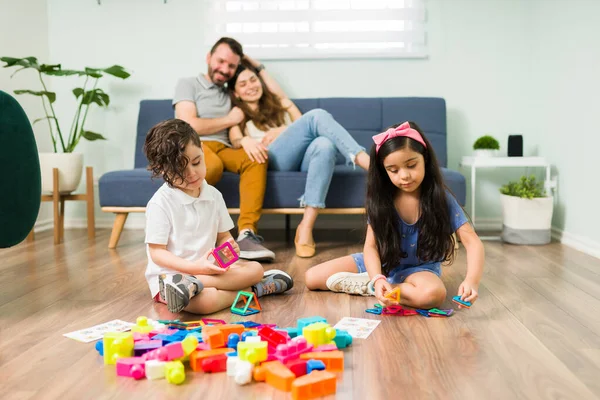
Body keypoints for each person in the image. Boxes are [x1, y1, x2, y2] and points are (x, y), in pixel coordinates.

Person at [304, 121, 484, 310]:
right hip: (382, 264)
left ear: (425, 160)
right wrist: (377, 276)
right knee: (311, 278)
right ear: (384, 171)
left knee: (433, 295)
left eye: (411, 165)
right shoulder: (381, 200)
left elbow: (472, 242)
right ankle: (377, 283)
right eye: (394, 170)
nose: (404, 176)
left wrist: (472, 281)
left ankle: (374, 287)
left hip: (419, 271)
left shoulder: (440, 198)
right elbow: (371, 247)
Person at [143, 118, 293, 314]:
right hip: (171, 280)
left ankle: (212, 283)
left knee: (255, 269)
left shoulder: (213, 195)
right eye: (180, 169)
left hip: (210, 271)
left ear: (203, 150)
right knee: (207, 302)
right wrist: (195, 268)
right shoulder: (160, 203)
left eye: (196, 162)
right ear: (162, 169)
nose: (191, 173)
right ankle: (256, 289)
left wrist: (229, 248)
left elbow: (224, 236)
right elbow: (157, 253)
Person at [227, 56, 371, 258]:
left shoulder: (278, 104)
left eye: (253, 80)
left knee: (325, 145)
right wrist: (245, 141)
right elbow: (235, 138)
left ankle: (306, 226)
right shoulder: (237, 113)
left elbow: (300, 123)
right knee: (317, 114)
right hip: (271, 159)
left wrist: (281, 130)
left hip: (299, 159)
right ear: (236, 93)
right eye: (243, 84)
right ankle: (367, 162)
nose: (250, 86)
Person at [173, 37, 275, 262]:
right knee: (213, 167)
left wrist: (246, 140)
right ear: (209, 58)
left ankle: (247, 234)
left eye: (232, 66)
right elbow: (188, 124)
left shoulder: (232, 91)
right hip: (195, 144)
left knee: (256, 157)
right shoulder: (188, 84)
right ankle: (191, 233)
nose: (225, 69)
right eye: (221, 61)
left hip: (226, 146)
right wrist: (229, 118)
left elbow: (273, 94)